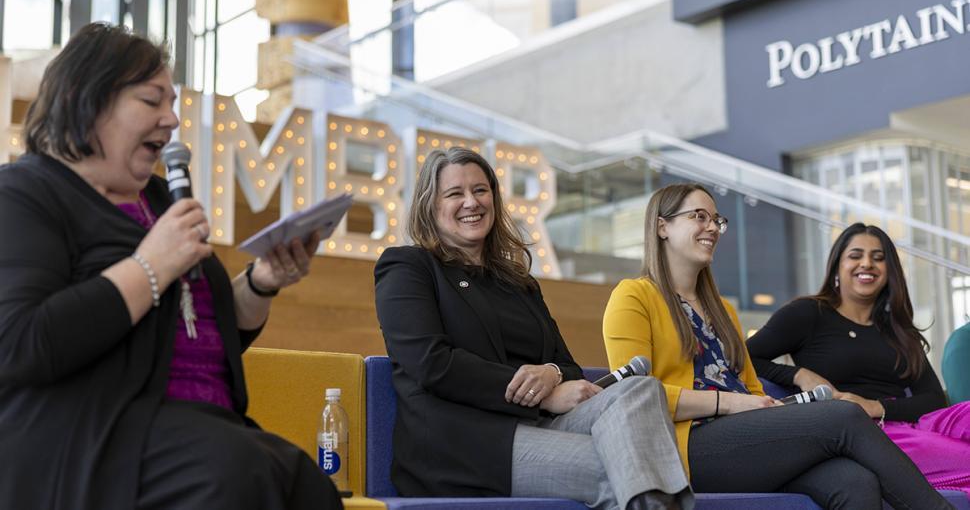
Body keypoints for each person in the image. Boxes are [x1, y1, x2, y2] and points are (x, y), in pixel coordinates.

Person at [0, 23, 341, 509]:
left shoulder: (161, 200)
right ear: (87, 99)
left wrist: (262, 284)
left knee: (306, 485)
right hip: (91, 437)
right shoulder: (24, 193)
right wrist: (150, 266)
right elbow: (20, 342)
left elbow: (197, 334)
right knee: (234, 471)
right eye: (152, 100)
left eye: (174, 102)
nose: (172, 119)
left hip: (201, 425)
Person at [374, 147, 692, 510]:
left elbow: (567, 365)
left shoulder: (517, 282)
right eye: (454, 193)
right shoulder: (408, 267)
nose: (471, 202)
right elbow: (431, 364)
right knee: (627, 464)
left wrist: (553, 373)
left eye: (480, 190)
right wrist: (540, 395)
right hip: (465, 444)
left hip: (542, 426)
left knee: (641, 389)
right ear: (431, 206)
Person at [603, 183, 950, 509]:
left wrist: (764, 406)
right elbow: (633, 398)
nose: (712, 227)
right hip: (683, 445)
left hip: (743, 438)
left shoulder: (722, 310)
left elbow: (750, 387)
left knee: (854, 483)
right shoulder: (633, 296)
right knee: (843, 414)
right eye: (699, 216)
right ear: (662, 226)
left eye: (716, 220)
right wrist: (731, 403)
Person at [748, 222, 970, 495]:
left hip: (906, 420)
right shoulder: (808, 313)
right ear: (837, 266)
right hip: (865, 434)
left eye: (878, 258)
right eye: (855, 256)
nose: (867, 264)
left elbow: (933, 399)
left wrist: (876, 406)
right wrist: (798, 375)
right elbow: (744, 356)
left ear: (890, 271)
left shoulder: (898, 329)